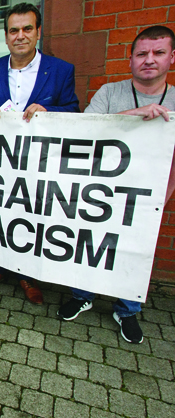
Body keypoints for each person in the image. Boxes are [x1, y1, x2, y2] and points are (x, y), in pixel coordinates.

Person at [57, 25, 175, 344]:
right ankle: (83, 294)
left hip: (144, 197)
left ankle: (127, 309)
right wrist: (137, 114)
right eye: (142, 53)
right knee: (88, 245)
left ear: (171, 58)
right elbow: (88, 132)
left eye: (158, 52)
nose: (149, 60)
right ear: (131, 59)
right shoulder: (110, 93)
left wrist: (163, 197)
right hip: (99, 194)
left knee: (134, 253)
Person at [0, 2, 80, 305]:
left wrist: (49, 110)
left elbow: (74, 111)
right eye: (13, 30)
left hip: (39, 164)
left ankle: (27, 275)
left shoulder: (60, 70)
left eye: (27, 29)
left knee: (30, 216)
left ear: (38, 32)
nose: (20, 36)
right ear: (6, 37)